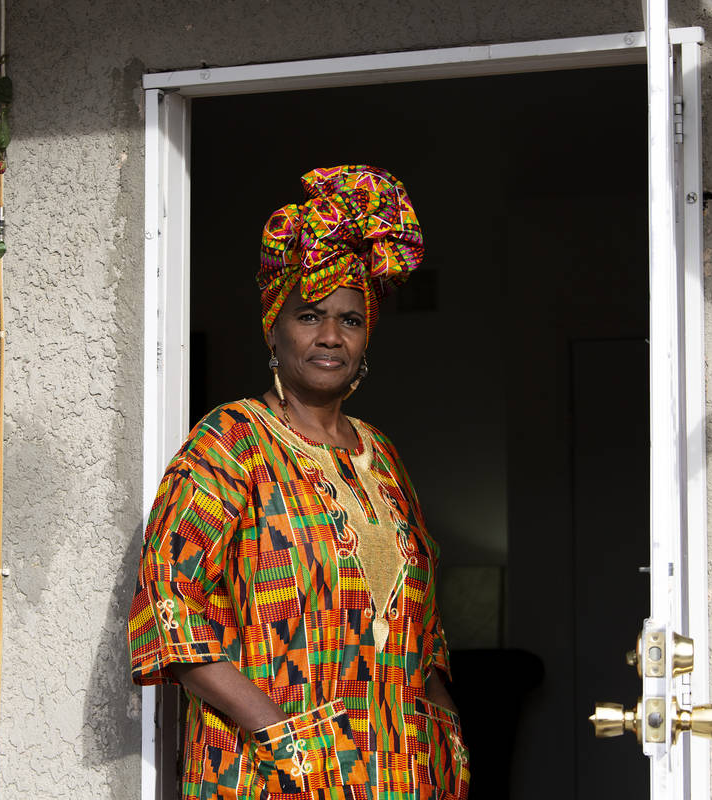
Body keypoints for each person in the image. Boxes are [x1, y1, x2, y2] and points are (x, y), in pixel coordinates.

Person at [128, 165, 468, 799]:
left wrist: (445, 729)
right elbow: (170, 614)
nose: (331, 337)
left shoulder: (384, 455)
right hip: (273, 778)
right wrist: (285, 738)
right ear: (275, 330)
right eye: (310, 316)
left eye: (351, 320)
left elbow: (425, 630)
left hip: (404, 773)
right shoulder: (231, 443)